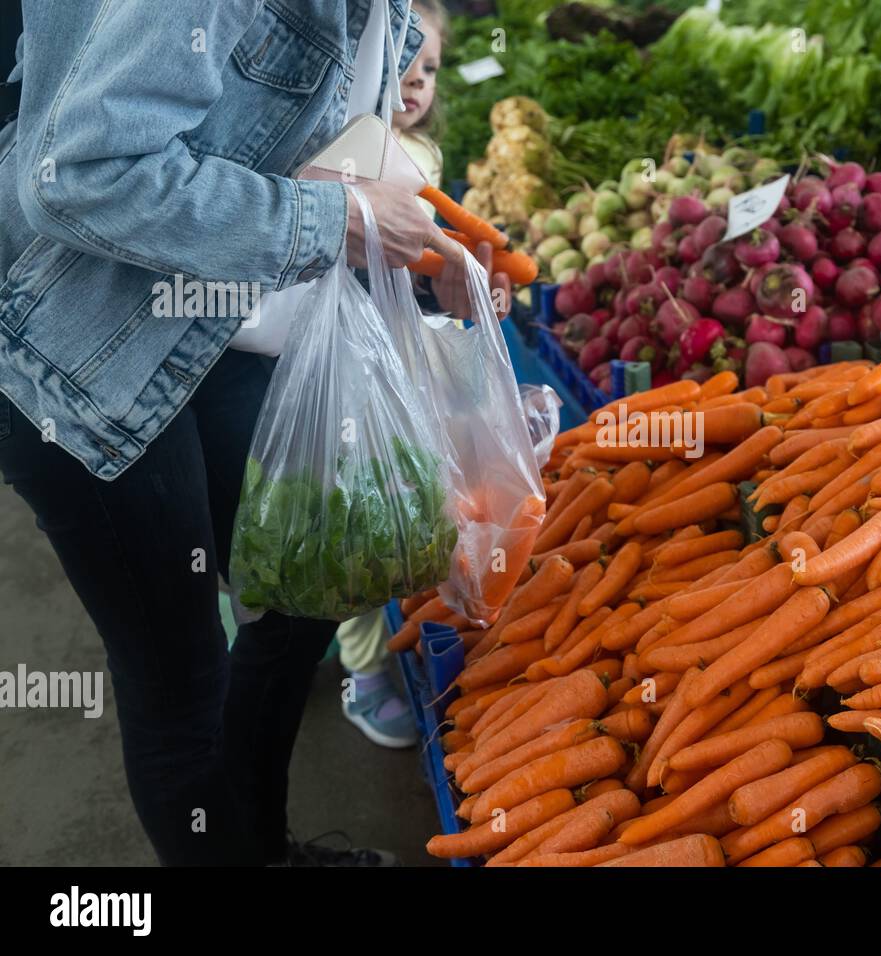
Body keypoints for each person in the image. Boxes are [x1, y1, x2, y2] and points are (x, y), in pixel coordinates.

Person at [0, 0, 509, 866]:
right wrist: (341, 225)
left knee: (312, 573)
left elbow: (311, 147)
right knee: (179, 680)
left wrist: (429, 263)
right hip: (87, 350)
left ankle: (258, 847)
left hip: (225, 319)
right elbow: (78, 173)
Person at [335, 0, 447, 751]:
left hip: (403, 364)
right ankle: (363, 671)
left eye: (429, 69)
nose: (413, 83)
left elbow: (433, 257)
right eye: (399, 67)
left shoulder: (429, 163)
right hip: (344, 359)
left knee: (404, 509)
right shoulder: (343, 152)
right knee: (351, 517)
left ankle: (398, 637)